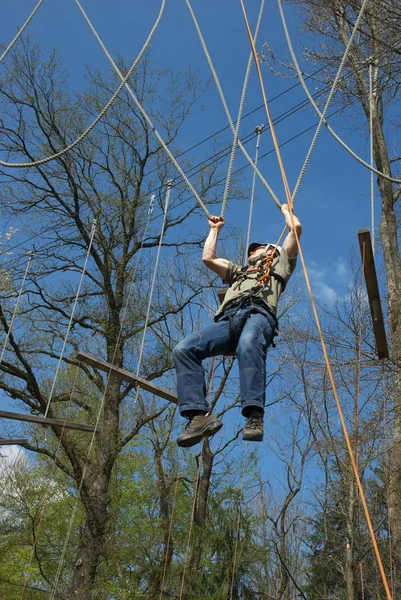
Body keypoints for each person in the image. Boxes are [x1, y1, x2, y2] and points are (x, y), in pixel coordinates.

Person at [172, 203, 302, 447]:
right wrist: (214, 230)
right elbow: (208, 258)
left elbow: (295, 227)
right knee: (183, 349)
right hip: (229, 319)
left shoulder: (282, 263)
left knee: (249, 342)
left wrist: (285, 210)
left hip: (258, 313)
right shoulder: (239, 272)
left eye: (259, 248)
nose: (253, 251)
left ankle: (254, 416)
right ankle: (198, 416)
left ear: (272, 251)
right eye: (251, 251)